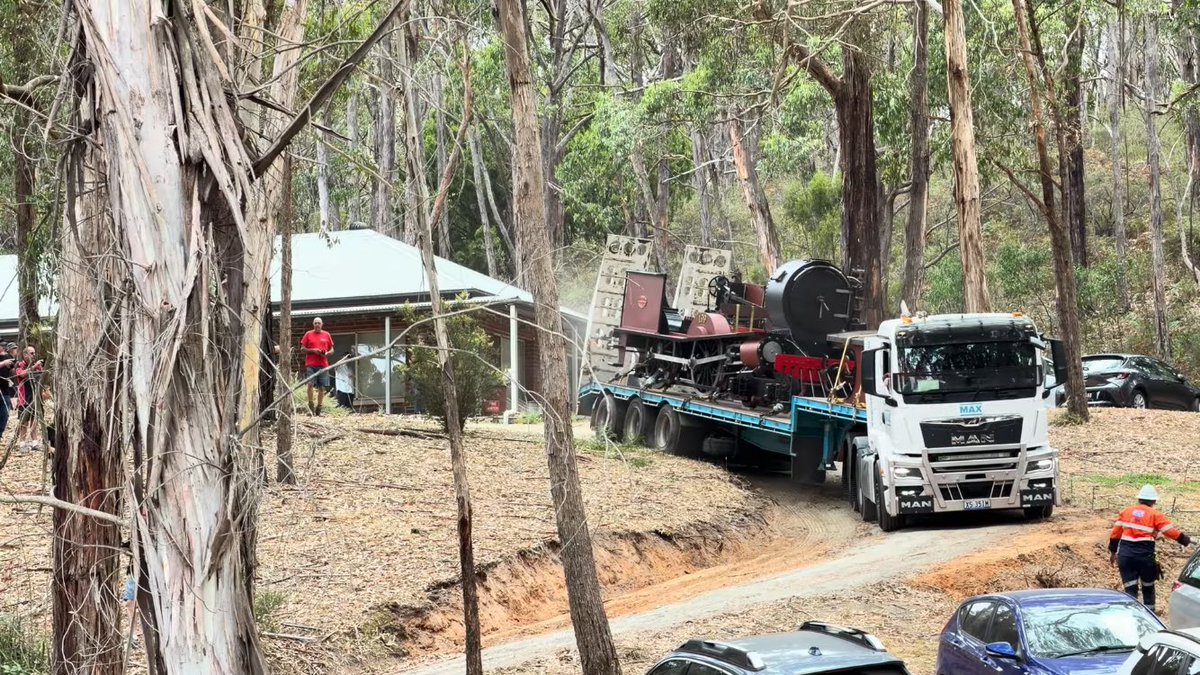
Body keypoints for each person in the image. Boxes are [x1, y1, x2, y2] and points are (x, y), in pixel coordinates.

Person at [1110, 485, 1192, 609]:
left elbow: (1115, 534)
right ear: (1154, 501)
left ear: (1139, 499)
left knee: (1130, 589)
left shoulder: (1126, 512)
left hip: (1125, 557)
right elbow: (1169, 531)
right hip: (1144, 557)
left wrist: (1112, 552)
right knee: (1148, 587)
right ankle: (1151, 615)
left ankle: (1132, 614)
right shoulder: (1155, 515)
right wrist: (1185, 540)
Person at [299, 318, 334, 415]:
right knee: (310, 384)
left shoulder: (327, 334)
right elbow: (302, 348)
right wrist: (313, 350)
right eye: (315, 323)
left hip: (323, 364)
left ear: (322, 324)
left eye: (319, 323)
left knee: (322, 387)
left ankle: (319, 409)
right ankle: (311, 407)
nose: (317, 325)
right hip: (311, 364)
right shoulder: (308, 334)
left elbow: (332, 350)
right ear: (313, 324)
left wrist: (326, 353)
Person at [14, 346, 43, 449]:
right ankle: (22, 443)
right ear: (25, 355)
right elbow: (22, 375)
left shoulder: (37, 365)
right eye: (31, 353)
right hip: (24, 397)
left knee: (34, 420)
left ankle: (35, 442)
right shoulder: (19, 364)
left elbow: (42, 377)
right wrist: (34, 367)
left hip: (35, 396)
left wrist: (39, 368)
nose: (34, 355)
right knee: (24, 421)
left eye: (34, 353)